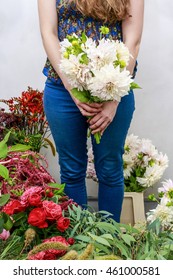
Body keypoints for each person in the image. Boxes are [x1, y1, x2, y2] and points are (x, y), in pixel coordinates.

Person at [37, 0, 144, 222]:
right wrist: (73, 88)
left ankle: (108, 244)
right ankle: (79, 244)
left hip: (114, 87)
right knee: (71, 171)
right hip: (63, 89)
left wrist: (114, 97)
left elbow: (132, 41)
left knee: (110, 169)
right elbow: (49, 33)